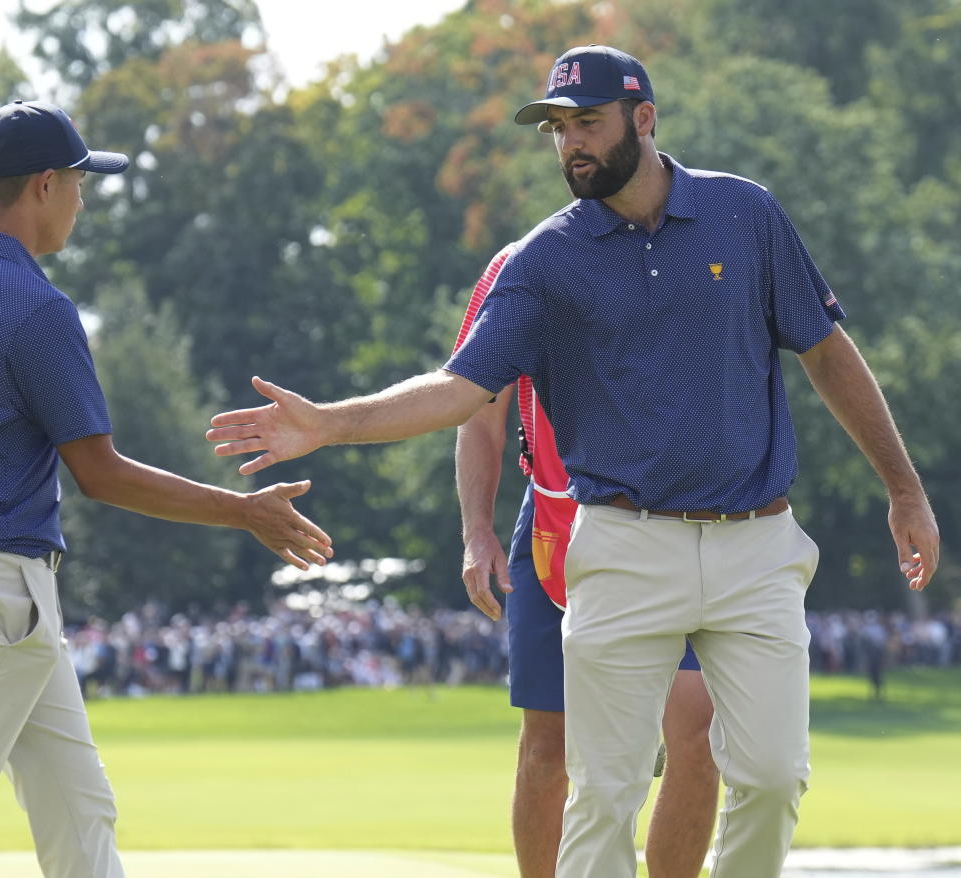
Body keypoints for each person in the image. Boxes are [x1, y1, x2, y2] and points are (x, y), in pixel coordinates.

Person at [205, 45, 938, 878]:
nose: (570, 145)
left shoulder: (747, 215)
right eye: (557, 129)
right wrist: (332, 424)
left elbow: (829, 354)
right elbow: (460, 390)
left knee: (772, 779)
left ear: (645, 120)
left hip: (758, 545)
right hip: (623, 548)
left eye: (586, 123)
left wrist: (902, 489)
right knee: (605, 794)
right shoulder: (544, 260)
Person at [0, 99, 332, 878]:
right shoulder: (36, 306)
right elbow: (101, 474)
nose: (82, 202)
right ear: (42, 186)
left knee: (78, 808)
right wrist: (242, 511)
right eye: (79, 183)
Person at [454, 248, 718, 877]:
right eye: (566, 139)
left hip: (674, 523)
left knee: (698, 733)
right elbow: (475, 407)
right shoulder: (519, 266)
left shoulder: (695, 248)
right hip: (553, 522)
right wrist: (475, 530)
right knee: (549, 749)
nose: (575, 145)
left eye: (587, 137)